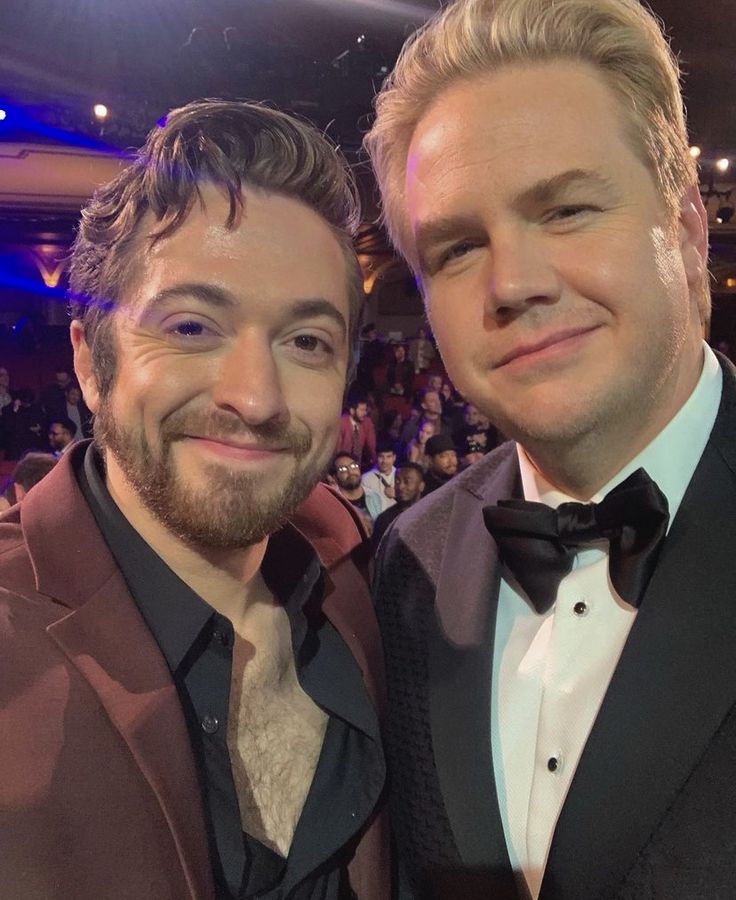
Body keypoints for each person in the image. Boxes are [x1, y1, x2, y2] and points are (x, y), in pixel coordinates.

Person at [366, 1, 729, 898]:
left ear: (685, 228)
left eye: (565, 209)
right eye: (455, 248)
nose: (514, 284)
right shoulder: (407, 565)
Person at [0, 99, 389, 900]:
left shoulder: (367, 578)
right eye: (190, 328)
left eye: (306, 341)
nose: (255, 398)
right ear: (89, 359)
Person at [371, 461, 425, 552]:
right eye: (397, 481)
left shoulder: (430, 514)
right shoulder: (385, 519)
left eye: (407, 481)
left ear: (421, 486)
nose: (400, 486)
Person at [331, 453, 384, 531]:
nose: (350, 472)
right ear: (335, 477)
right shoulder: (333, 503)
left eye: (353, 466)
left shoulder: (375, 496)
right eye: (342, 469)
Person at [336, 390, 377, 469]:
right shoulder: (342, 423)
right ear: (352, 411)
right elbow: (337, 450)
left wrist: (374, 461)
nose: (365, 413)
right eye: (362, 410)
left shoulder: (366, 423)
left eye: (365, 410)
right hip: (341, 465)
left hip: (358, 465)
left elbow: (371, 446)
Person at [362, 442, 398, 514]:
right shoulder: (366, 479)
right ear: (376, 457)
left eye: (388, 457)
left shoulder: (400, 476)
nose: (384, 461)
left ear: (394, 458)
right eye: (381, 457)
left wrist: (397, 495)